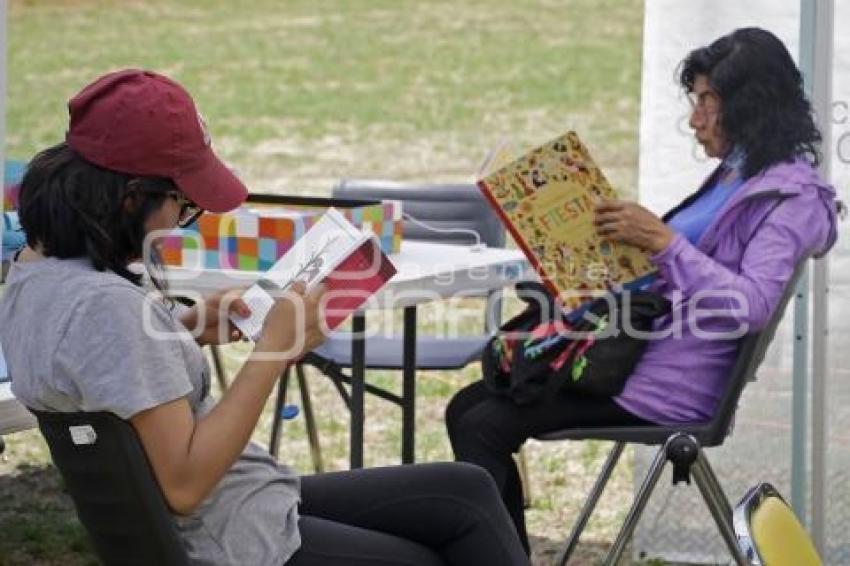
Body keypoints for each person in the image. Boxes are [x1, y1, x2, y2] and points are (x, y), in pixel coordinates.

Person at [0, 69, 530, 566]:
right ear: (129, 199)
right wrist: (274, 350)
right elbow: (184, 486)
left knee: (467, 490)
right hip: (233, 539)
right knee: (446, 546)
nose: (182, 226)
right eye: (183, 207)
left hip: (237, 505)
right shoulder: (106, 309)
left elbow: (96, 371)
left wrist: (180, 328)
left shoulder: (30, 276)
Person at [445, 27, 840, 552]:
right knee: (466, 411)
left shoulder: (790, 199)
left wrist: (659, 238)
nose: (695, 118)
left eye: (707, 101)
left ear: (751, 104)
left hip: (667, 387)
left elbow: (749, 305)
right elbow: (677, 267)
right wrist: (584, 258)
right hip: (634, 357)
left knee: (485, 426)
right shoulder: (738, 173)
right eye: (694, 99)